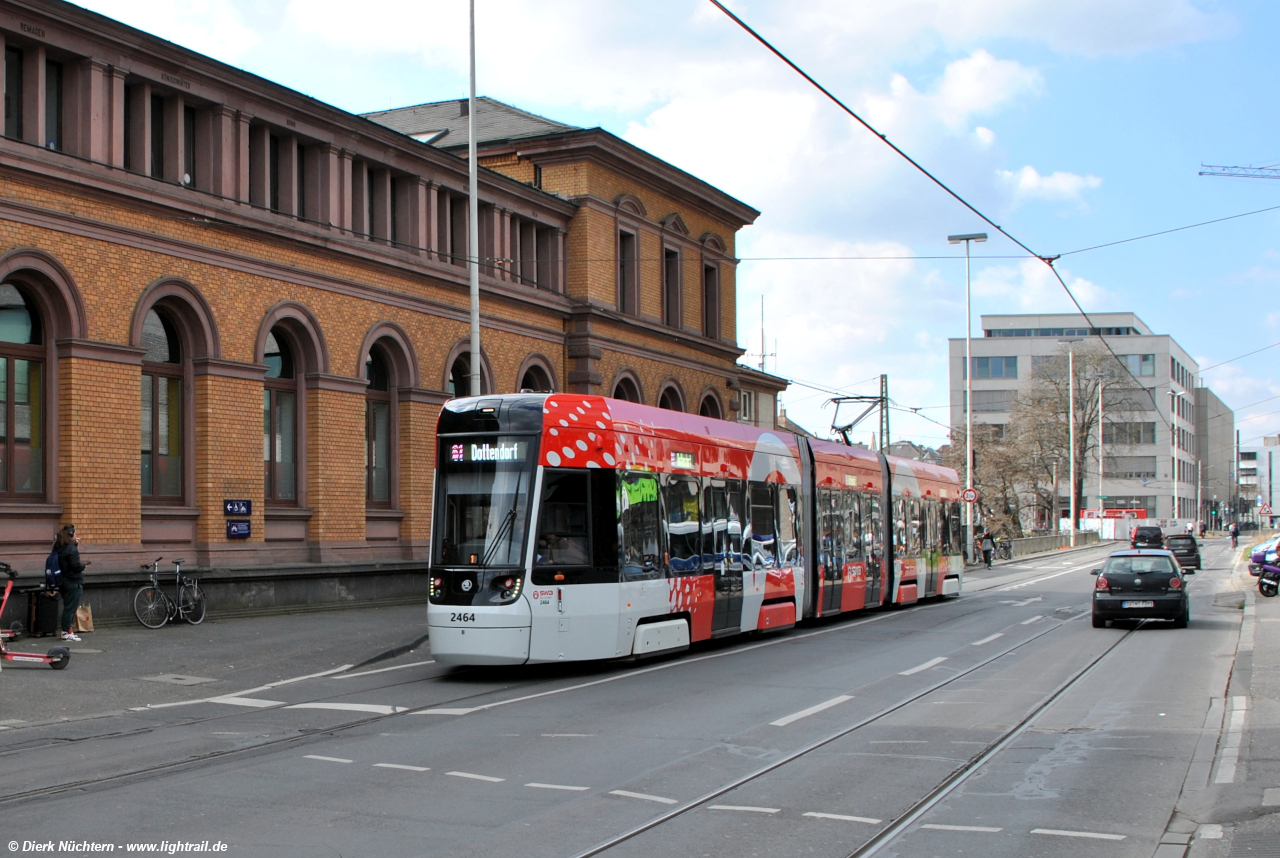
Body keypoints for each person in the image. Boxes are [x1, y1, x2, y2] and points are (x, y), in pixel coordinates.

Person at [54, 524, 85, 642]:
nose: (77, 536)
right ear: (71, 535)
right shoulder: (71, 549)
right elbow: (75, 565)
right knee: (70, 607)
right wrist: (83, 566)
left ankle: (68, 631)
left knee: (68, 606)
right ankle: (66, 631)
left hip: (64, 580)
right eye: (75, 533)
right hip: (72, 580)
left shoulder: (60, 546)